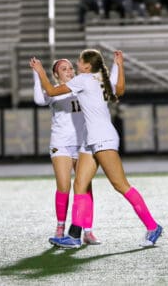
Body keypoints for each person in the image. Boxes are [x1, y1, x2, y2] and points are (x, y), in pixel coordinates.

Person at [29, 49, 163, 249]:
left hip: (102, 138)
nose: (76, 64)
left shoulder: (83, 79)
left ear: (86, 66)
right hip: (89, 141)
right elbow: (120, 90)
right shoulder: (100, 78)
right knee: (80, 186)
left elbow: (51, 90)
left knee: (120, 185)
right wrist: (120, 64)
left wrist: (39, 71)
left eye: (79, 61)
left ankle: (153, 227)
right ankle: (74, 236)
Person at [33, 57, 118, 245]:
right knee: (64, 186)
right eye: (64, 69)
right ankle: (61, 227)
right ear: (56, 74)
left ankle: (87, 231)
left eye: (71, 67)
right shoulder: (54, 90)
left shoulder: (83, 85)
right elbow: (39, 99)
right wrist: (37, 72)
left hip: (83, 145)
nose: (69, 71)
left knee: (85, 188)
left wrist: (116, 65)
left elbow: (110, 85)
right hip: (61, 144)